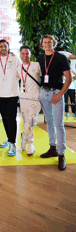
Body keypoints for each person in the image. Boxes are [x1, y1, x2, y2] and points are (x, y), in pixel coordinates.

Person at [38, 35, 71, 171]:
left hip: (56, 92)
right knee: (50, 122)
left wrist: (59, 95)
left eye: (50, 42)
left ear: (54, 43)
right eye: (45, 42)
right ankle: (52, 148)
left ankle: (61, 154)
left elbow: (68, 79)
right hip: (44, 93)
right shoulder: (40, 58)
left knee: (59, 124)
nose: (47, 44)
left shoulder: (61, 58)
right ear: (42, 44)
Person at [0, 39, 21, 156]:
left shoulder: (14, 58)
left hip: (13, 93)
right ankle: (9, 139)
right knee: (4, 118)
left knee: (12, 119)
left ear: (8, 48)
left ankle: (13, 143)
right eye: (1, 46)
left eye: (5, 46)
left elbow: (21, 73)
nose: (3, 48)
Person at [17, 46, 41, 156]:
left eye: (27, 53)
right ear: (20, 55)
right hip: (23, 98)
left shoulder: (36, 65)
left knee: (32, 121)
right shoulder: (18, 67)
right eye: (23, 53)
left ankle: (30, 142)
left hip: (35, 97)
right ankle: (25, 138)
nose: (25, 55)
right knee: (26, 120)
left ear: (30, 54)